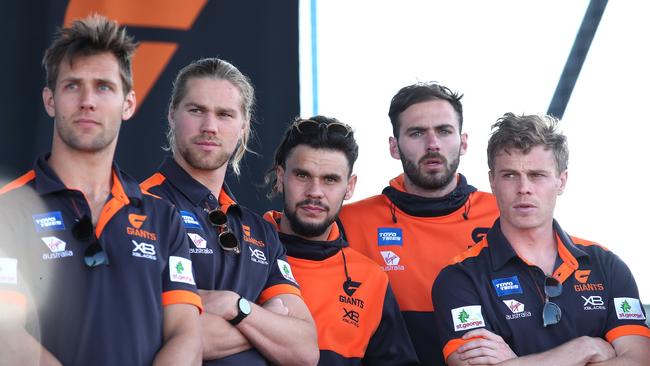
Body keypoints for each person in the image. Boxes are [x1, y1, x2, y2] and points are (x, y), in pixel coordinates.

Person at [0, 15, 202, 365]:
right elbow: (6, 338)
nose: (88, 101)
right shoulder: (9, 209)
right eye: (73, 85)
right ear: (50, 100)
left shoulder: (163, 217)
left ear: (128, 104)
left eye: (104, 87)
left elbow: (186, 334)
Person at [432, 113, 650, 365]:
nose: (524, 187)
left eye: (537, 175)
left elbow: (640, 359)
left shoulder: (606, 265)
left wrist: (516, 362)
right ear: (492, 181)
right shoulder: (460, 277)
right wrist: (583, 348)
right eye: (510, 175)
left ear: (562, 181)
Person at [140, 57, 319, 366]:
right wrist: (262, 321)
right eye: (196, 111)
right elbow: (145, 335)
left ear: (243, 125)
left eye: (224, 114)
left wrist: (233, 305)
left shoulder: (261, 230)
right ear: (172, 114)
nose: (210, 126)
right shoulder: (138, 207)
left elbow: (303, 350)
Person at [338, 82, 499, 365]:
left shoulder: (502, 215)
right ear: (394, 146)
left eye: (444, 131)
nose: (432, 143)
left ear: (463, 142)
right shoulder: (351, 221)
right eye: (417, 133)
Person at [262, 115, 420, 365]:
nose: (315, 192)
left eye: (330, 179)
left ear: (350, 186)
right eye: (303, 176)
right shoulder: (242, 251)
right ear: (281, 177)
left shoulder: (371, 279)